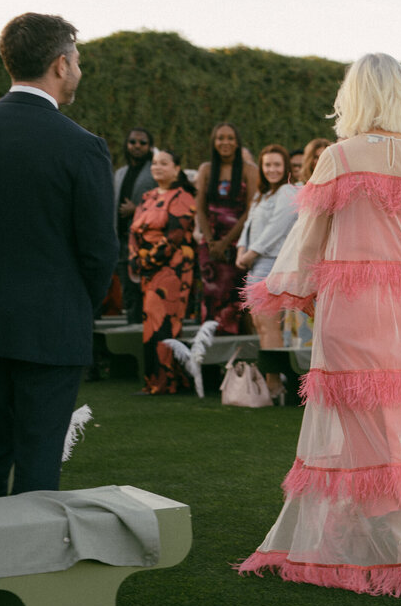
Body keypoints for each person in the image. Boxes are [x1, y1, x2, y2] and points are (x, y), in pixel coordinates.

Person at [237, 53, 401, 597]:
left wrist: (296, 292)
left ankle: (385, 534)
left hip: (347, 307)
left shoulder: (337, 157)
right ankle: (392, 531)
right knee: (392, 421)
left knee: (352, 419)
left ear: (351, 97)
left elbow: (307, 239)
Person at [0, 13, 116, 497]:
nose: (78, 70)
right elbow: (100, 252)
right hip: (51, 329)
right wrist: (79, 306)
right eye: (77, 60)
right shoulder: (81, 148)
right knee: (39, 462)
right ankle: (28, 572)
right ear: (61, 65)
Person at [128, 149, 197, 395]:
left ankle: (165, 382)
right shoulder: (147, 197)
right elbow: (134, 233)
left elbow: (175, 235)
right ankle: (156, 381)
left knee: (164, 324)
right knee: (152, 322)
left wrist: (147, 261)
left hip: (172, 269)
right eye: (155, 163)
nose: (157, 167)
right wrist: (135, 259)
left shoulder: (183, 197)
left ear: (176, 168)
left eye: (164, 163)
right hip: (148, 269)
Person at [235, 144, 299, 400]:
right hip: (254, 264)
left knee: (270, 325)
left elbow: (277, 227)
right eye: (267, 165)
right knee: (260, 326)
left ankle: (275, 385)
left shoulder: (287, 191)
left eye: (277, 165)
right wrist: (241, 249)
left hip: (271, 263)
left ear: (284, 167)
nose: (272, 169)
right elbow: (248, 226)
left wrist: (251, 253)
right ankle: (271, 381)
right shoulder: (261, 196)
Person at [195, 122, 259, 334]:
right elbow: (201, 209)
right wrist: (211, 241)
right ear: (213, 142)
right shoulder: (206, 170)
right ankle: (210, 352)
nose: (225, 142)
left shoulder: (249, 170)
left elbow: (250, 210)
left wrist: (225, 242)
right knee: (211, 297)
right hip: (210, 245)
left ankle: (238, 359)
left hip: (237, 244)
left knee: (234, 299)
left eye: (230, 138)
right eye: (220, 138)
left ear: (237, 142)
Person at [113, 127, 156, 323]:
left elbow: (162, 203)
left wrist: (136, 209)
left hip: (147, 244)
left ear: (150, 146)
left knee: (145, 293)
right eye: (133, 142)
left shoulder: (154, 172)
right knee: (128, 293)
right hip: (122, 242)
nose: (137, 146)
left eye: (142, 142)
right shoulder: (120, 173)